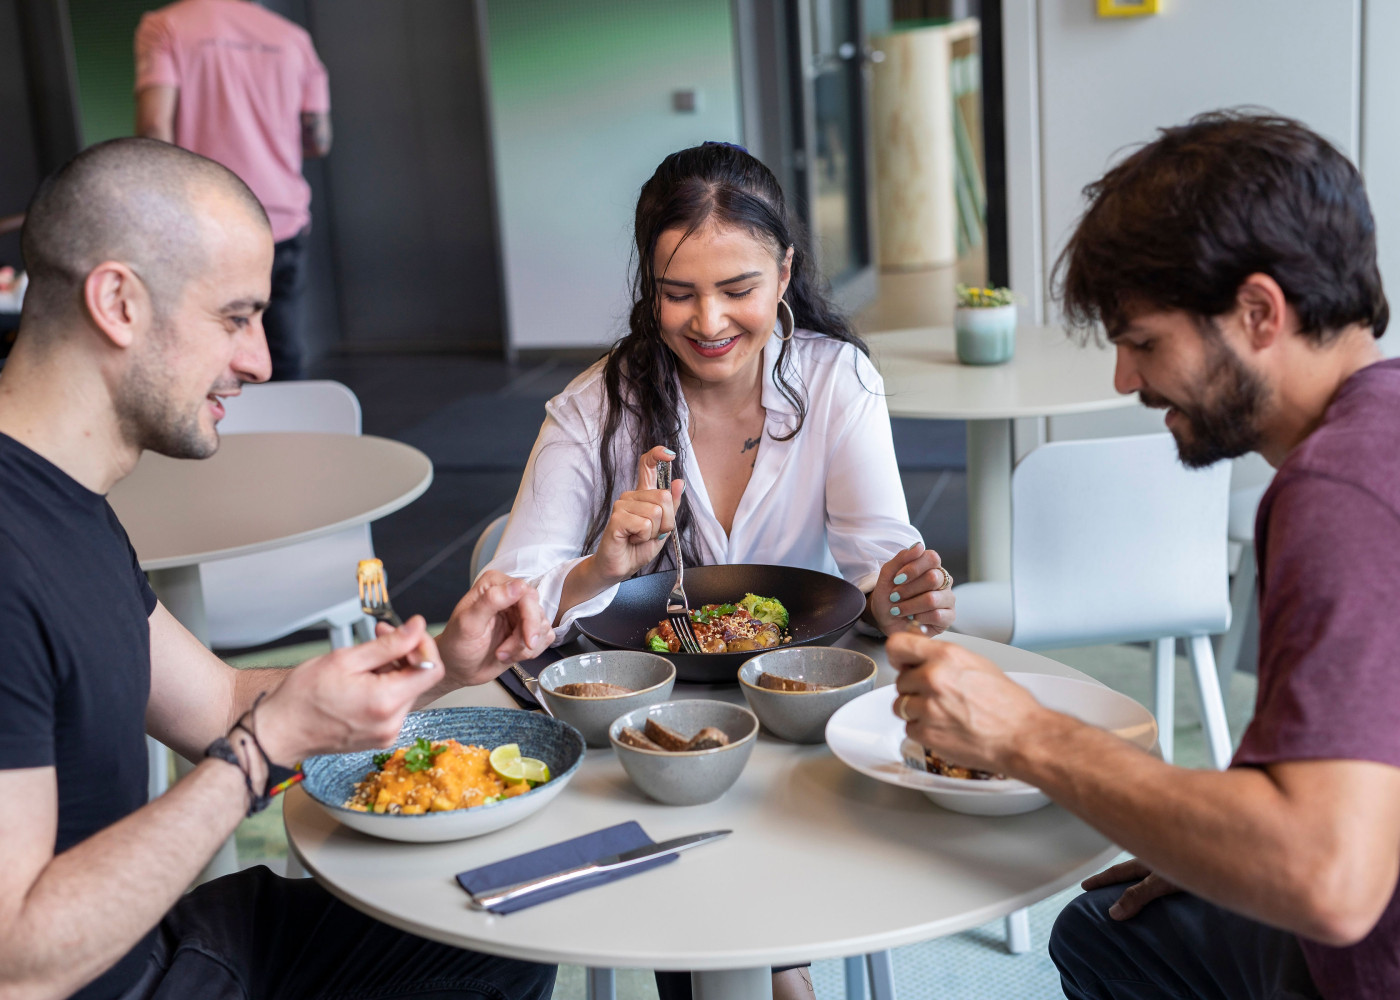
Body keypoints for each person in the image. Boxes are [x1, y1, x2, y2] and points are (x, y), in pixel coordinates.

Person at [0, 137, 557, 1000]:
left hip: (151, 949)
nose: (259, 360)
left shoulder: (64, 505)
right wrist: (261, 755)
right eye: (234, 318)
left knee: (502, 928)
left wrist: (441, 666)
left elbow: (218, 703)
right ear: (118, 302)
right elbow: (17, 962)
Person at [885, 111, 1400, 1000]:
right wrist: (1218, 844)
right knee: (1111, 928)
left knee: (1106, 936)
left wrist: (1023, 732)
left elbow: (1330, 880)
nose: (1126, 380)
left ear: (1259, 312)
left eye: (1144, 342)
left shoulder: (1337, 494)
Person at [479, 141, 958, 1000]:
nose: (708, 322)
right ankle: (779, 968)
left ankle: (773, 964)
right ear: (649, 287)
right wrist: (598, 568)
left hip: (801, 715)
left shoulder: (836, 379)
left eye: (737, 289)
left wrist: (904, 596)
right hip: (650, 728)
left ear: (785, 273)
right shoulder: (595, 405)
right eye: (678, 293)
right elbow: (510, 599)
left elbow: (877, 571)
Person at [134, 0, 333, 381]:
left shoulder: (165, 25)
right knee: (280, 355)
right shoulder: (293, 38)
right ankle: (289, 421)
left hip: (203, 224)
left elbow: (154, 128)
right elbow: (319, 141)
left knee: (207, 359)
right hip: (281, 219)